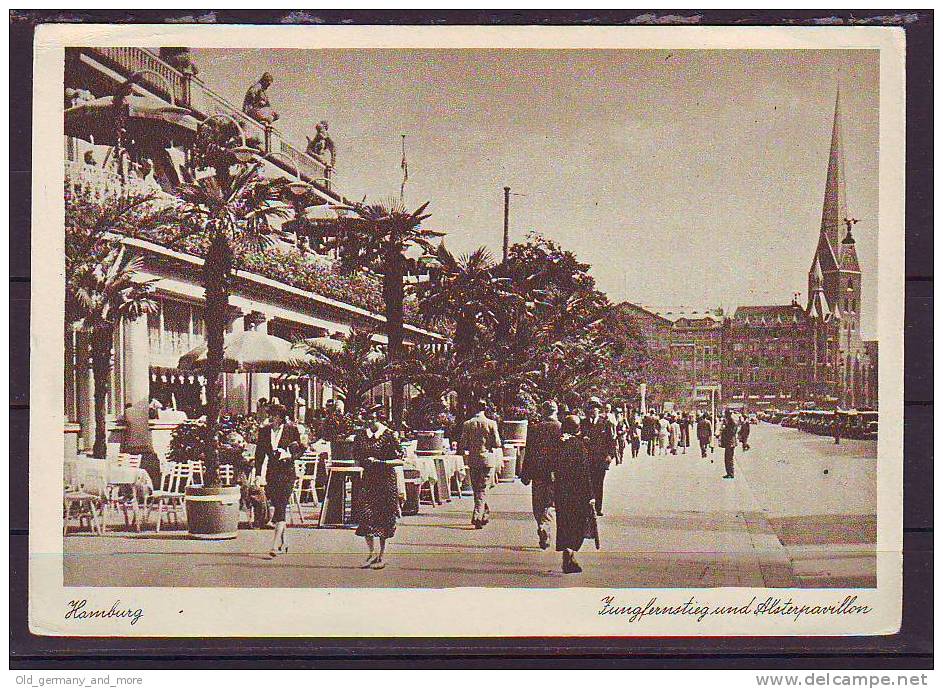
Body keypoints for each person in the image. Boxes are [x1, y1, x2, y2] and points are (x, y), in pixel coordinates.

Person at [352, 405, 404, 570]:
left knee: (383, 517)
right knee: (366, 516)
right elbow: (356, 456)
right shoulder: (360, 436)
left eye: (372, 418)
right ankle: (371, 552)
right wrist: (362, 462)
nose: (369, 421)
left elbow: (400, 459)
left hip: (386, 480)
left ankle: (381, 555)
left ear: (378, 417)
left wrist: (381, 462)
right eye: (366, 418)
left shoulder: (388, 435)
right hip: (368, 480)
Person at [254, 404, 303, 558]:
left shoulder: (291, 430)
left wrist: (289, 456)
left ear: (281, 417)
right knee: (277, 505)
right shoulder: (264, 431)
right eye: (271, 414)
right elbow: (259, 454)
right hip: (272, 473)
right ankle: (284, 541)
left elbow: (300, 450)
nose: (272, 417)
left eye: (275, 415)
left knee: (281, 506)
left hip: (287, 472)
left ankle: (274, 545)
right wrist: (257, 474)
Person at [551, 415, 596, 574]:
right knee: (577, 523)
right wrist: (591, 495)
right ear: (577, 429)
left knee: (563, 522)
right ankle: (570, 552)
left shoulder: (557, 444)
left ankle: (568, 552)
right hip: (577, 492)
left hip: (561, 490)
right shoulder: (579, 446)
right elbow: (584, 473)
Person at [519, 400, 562, 550]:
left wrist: (524, 474)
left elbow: (528, 452)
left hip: (537, 473)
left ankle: (542, 526)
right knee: (550, 503)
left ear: (543, 412)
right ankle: (545, 525)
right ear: (555, 411)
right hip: (555, 474)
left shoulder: (535, 429)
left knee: (538, 504)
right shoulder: (561, 428)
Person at [457, 400, 502, 528]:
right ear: (485, 409)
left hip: (473, 460)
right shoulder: (491, 423)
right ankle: (478, 515)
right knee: (483, 488)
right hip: (487, 460)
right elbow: (497, 443)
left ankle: (483, 513)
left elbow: (463, 444)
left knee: (478, 489)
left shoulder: (467, 424)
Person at [582, 398, 616, 517]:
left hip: (600, 459)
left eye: (596, 408)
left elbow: (611, 440)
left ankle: (598, 507)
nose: (594, 410)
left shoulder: (604, 423)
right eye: (591, 408)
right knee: (587, 483)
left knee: (599, 483)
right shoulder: (583, 423)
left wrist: (610, 455)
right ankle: (587, 507)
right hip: (587, 458)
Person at [718, 409, 739, 479]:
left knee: (728, 458)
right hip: (730, 443)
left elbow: (731, 432)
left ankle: (730, 473)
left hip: (730, 443)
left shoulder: (731, 422)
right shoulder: (730, 421)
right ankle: (729, 473)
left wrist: (724, 429)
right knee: (728, 458)